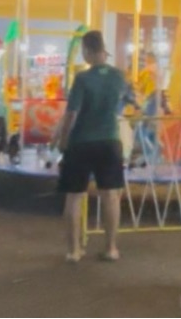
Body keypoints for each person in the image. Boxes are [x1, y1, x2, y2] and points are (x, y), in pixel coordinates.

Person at [55, 30, 126, 263]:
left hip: (81, 142)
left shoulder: (82, 79)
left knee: (74, 197)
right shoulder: (118, 76)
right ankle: (111, 248)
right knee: (111, 196)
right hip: (110, 140)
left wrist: (62, 140)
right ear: (103, 49)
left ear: (86, 50)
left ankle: (74, 251)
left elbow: (71, 114)